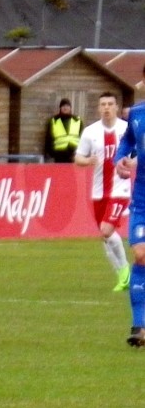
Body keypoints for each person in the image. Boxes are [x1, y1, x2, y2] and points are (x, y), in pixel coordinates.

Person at [74, 91, 130, 293]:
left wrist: (131, 163)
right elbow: (78, 158)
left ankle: (125, 272)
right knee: (106, 236)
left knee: (107, 230)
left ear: (116, 107)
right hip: (98, 192)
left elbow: (139, 153)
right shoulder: (90, 132)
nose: (106, 107)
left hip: (120, 189)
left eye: (110, 104)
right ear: (98, 108)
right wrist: (87, 161)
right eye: (103, 104)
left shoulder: (126, 129)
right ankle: (123, 278)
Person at [114, 63, 145, 347]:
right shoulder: (136, 115)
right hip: (142, 199)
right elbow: (126, 145)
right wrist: (120, 161)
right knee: (140, 255)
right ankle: (139, 326)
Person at [44, 98, 82, 163]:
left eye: (67, 106)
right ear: (60, 108)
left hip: (74, 154)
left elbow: (82, 137)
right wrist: (50, 153)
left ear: (70, 108)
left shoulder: (77, 120)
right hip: (59, 155)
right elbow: (48, 138)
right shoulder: (54, 121)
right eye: (63, 106)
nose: (65, 108)